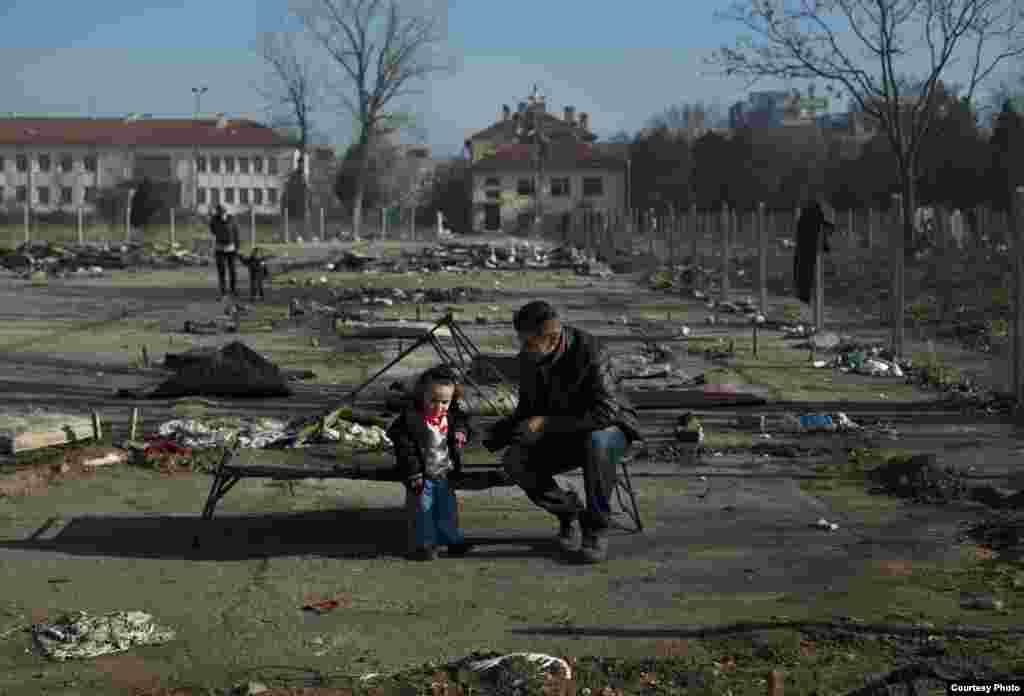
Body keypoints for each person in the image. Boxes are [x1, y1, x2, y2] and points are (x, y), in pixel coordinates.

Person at [483, 301, 642, 564]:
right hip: (565, 432)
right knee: (514, 461)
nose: (524, 349)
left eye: (530, 343)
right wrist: (490, 437)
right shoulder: (530, 358)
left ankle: (597, 528)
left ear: (553, 336)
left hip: (611, 429)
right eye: (522, 341)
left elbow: (606, 412)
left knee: (597, 441)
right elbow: (527, 411)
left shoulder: (591, 352)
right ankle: (569, 511)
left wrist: (545, 424)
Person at [386, 365, 475, 561]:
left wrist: (461, 432)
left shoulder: (451, 416)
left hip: (444, 473)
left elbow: (463, 421)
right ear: (421, 396)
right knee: (422, 510)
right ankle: (424, 545)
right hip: (421, 476)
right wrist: (413, 472)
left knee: (447, 509)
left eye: (444, 402)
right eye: (433, 400)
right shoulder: (411, 421)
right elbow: (406, 450)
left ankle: (451, 539)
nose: (439, 406)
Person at [792, 199, 835, 304]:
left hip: (802, 251)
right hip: (809, 250)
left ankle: (802, 296)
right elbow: (824, 231)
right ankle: (804, 297)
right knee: (807, 275)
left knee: (802, 275)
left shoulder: (803, 218)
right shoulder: (817, 217)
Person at [209, 204, 240, 299]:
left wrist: (237, 247)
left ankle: (233, 290)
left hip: (231, 249)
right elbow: (213, 231)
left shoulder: (232, 219)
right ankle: (223, 292)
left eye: (223, 212)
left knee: (233, 271)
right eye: (219, 212)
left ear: (225, 212)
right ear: (217, 212)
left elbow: (236, 233)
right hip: (220, 249)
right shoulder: (214, 220)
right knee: (221, 271)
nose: (221, 214)